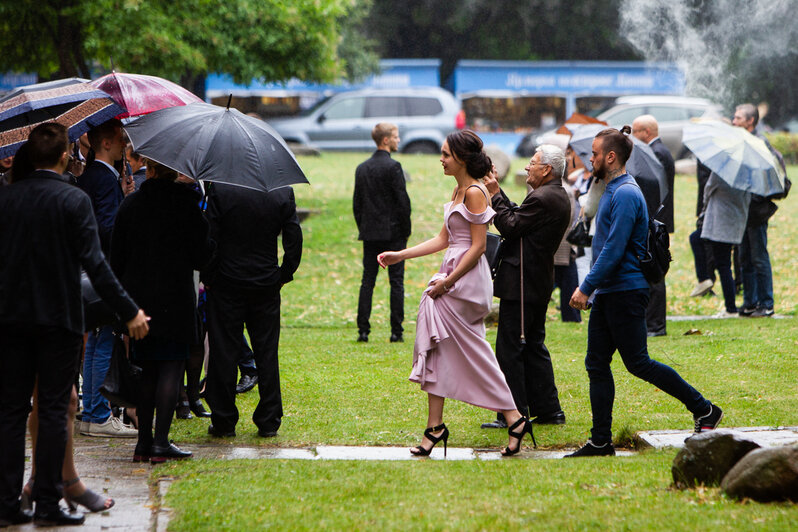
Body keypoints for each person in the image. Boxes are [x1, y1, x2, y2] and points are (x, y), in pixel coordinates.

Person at [0, 123, 149, 526]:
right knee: (52, 410)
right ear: (66, 155)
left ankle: (7, 502)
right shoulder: (72, 199)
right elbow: (96, 265)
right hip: (58, 318)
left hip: (10, 318)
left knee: (11, 412)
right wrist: (130, 310)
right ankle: (48, 503)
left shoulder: (7, 198)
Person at [567, 126, 722, 458]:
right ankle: (600, 440)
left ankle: (704, 408)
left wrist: (585, 287)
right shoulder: (610, 188)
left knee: (638, 362)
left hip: (624, 290)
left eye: (594, 154)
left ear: (611, 157)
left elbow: (614, 249)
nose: (589, 158)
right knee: (596, 362)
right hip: (611, 291)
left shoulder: (625, 193)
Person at [378, 130, 534, 457]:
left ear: (462, 158)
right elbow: (442, 239)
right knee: (439, 348)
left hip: (466, 281)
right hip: (451, 271)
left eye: (446, 154)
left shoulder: (476, 192)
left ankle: (513, 416)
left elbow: (478, 247)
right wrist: (399, 255)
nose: (441, 159)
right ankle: (436, 427)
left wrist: (447, 283)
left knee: (473, 350)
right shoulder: (458, 189)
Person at [111, 159, 213, 462]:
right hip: (175, 299)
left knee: (146, 371)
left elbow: (117, 257)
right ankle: (160, 442)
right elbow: (201, 257)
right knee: (171, 367)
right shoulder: (187, 206)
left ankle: (143, 443)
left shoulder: (131, 205)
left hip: (139, 301)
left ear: (151, 170)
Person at [479, 145, 571, 430]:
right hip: (535, 280)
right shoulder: (552, 195)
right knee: (532, 346)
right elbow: (518, 218)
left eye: (532, 163)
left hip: (522, 283)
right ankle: (548, 410)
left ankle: (513, 413)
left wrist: (494, 194)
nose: (526, 168)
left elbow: (509, 225)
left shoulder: (544, 198)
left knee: (511, 347)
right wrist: (499, 193)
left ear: (547, 170)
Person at [203, 183, 303, 438]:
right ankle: (269, 419)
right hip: (265, 281)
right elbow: (293, 236)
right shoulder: (281, 191)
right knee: (267, 351)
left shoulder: (221, 189)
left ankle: (224, 419)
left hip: (227, 280)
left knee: (224, 351)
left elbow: (210, 235)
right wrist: (285, 273)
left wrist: (210, 274)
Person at [77, 118, 139, 437]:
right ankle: (99, 413)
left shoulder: (98, 177)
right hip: (104, 270)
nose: (123, 144)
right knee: (104, 340)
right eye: (119, 139)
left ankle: (91, 411)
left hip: (91, 270)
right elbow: (107, 228)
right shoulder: (102, 179)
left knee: (96, 339)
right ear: (105, 143)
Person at [353, 123, 412, 343]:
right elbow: (402, 203)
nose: (398, 140)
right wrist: (405, 231)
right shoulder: (394, 167)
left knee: (367, 280)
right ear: (385, 140)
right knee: (396, 281)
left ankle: (363, 330)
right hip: (393, 234)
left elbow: (357, 204)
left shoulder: (362, 168)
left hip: (370, 233)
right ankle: (396, 331)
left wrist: (364, 226)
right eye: (396, 137)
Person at [734, 103, 781, 318]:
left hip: (756, 211)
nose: (734, 122)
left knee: (759, 257)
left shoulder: (759, 144)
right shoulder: (742, 142)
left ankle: (766, 303)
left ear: (750, 121)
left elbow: (766, 180)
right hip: (743, 209)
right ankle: (750, 302)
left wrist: (753, 197)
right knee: (745, 257)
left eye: (738, 118)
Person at [632, 115, 674, 336]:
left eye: (635, 132)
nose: (633, 138)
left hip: (656, 221)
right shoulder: (660, 151)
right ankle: (653, 323)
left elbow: (656, 190)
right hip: (659, 220)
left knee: (655, 271)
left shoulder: (656, 153)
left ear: (646, 132)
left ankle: (656, 325)